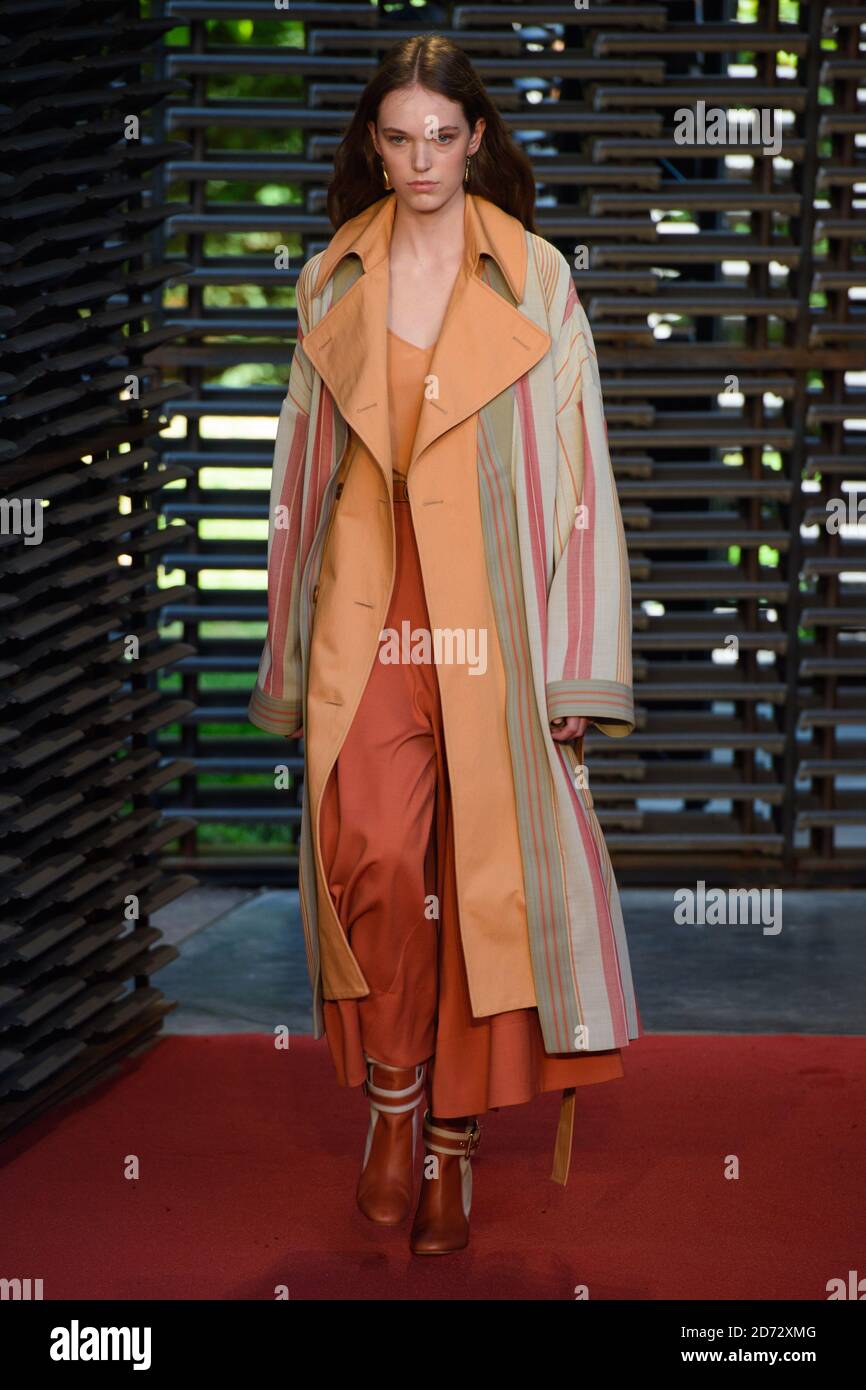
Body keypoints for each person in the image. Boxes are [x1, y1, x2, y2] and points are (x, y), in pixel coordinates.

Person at [249, 33, 640, 1255]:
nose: (420, 157)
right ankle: (394, 1099)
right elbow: (296, 477)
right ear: (373, 142)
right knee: (369, 850)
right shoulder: (331, 282)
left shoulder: (535, 279)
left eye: (442, 135)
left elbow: (583, 475)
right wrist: (285, 644)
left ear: (476, 141)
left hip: (497, 618)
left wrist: (579, 662)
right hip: (372, 613)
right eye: (398, 135)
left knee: (481, 879)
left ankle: (454, 1149)